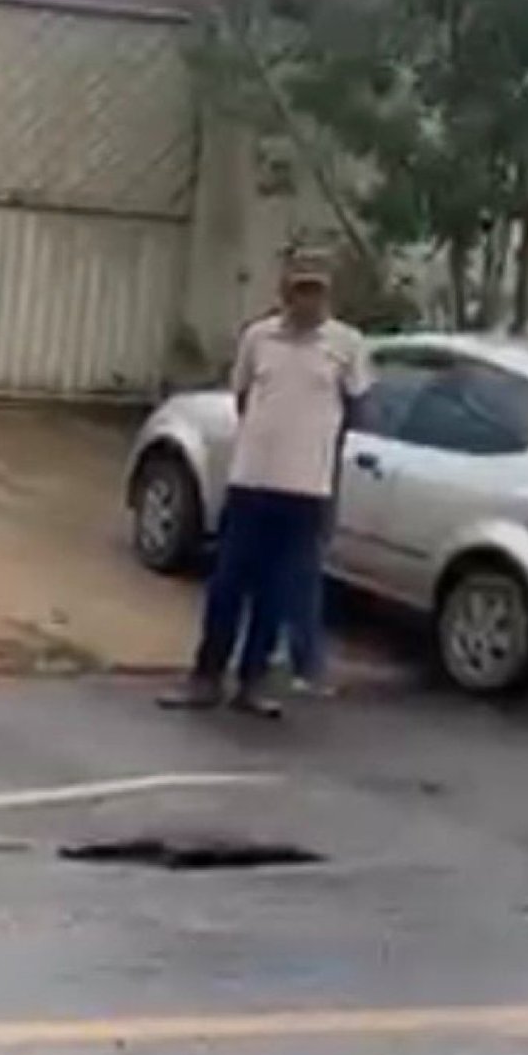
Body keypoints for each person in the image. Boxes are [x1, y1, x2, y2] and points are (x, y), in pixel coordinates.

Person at [163, 246, 370, 719]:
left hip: (306, 492)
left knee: (276, 594)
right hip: (252, 484)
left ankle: (252, 683)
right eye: (300, 291)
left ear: (329, 295)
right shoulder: (258, 338)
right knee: (228, 585)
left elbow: (357, 410)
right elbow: (242, 397)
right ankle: (206, 677)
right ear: (284, 292)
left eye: (316, 291)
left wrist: (319, 460)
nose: (308, 301)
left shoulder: (347, 346)